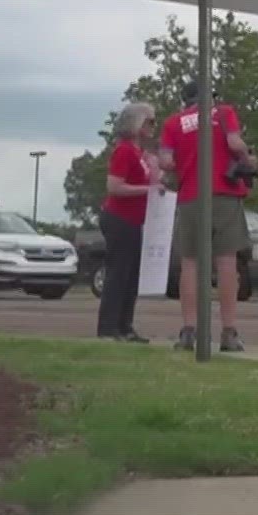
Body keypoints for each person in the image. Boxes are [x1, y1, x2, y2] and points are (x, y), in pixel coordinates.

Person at [157, 82, 258, 353]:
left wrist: (186, 161)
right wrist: (248, 160)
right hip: (224, 195)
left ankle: (189, 331)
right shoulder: (223, 114)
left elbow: (165, 161)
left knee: (190, 264)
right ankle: (228, 332)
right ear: (210, 98)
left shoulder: (173, 123)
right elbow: (234, 143)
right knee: (226, 263)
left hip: (191, 195)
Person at [97, 102, 158, 343]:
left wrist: (154, 173)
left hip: (134, 219)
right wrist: (148, 190)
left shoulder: (138, 153)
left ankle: (125, 325)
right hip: (119, 218)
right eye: (150, 121)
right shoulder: (123, 151)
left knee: (131, 275)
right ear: (136, 124)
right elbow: (114, 186)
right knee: (118, 272)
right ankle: (109, 327)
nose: (154, 126)